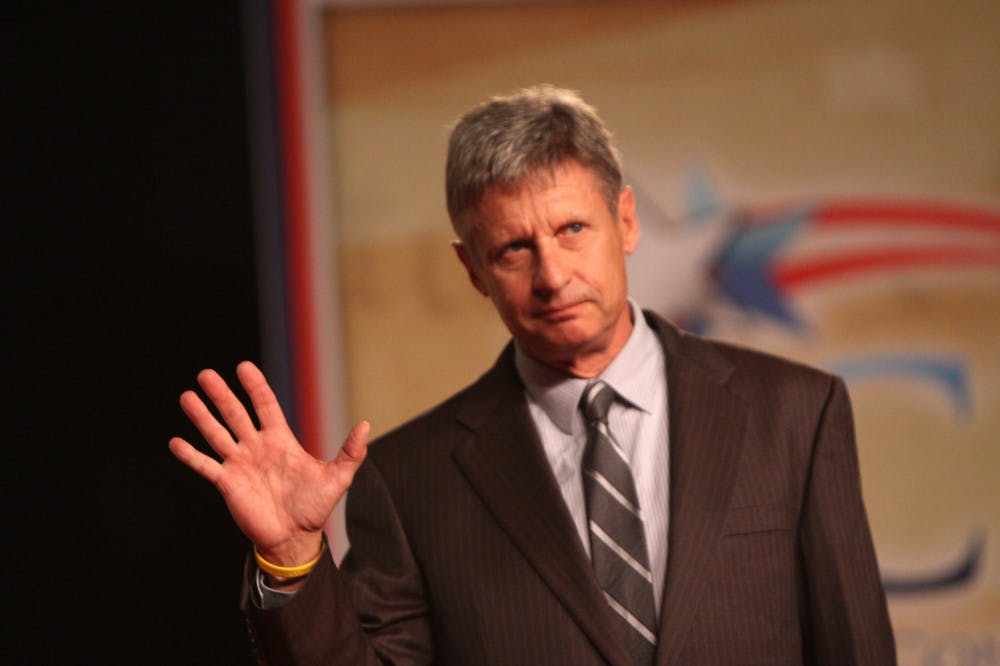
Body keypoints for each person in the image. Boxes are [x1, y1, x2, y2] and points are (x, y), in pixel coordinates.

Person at [170, 85, 895, 665]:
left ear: (627, 221)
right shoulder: (411, 480)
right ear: (472, 270)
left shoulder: (794, 413)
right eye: (514, 249)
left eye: (572, 230)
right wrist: (293, 559)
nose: (552, 276)